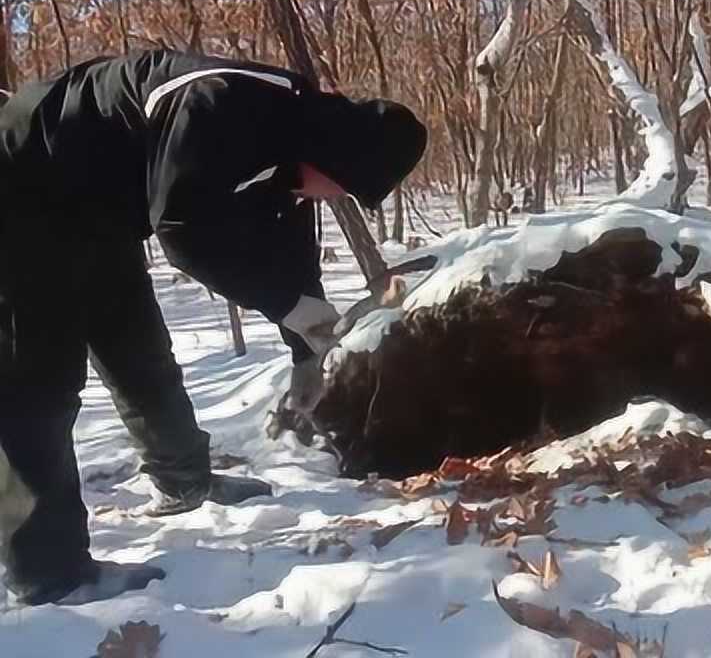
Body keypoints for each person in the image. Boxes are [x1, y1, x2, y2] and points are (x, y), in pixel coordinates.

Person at [0, 50, 427, 606]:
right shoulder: (224, 104)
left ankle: (183, 482)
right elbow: (182, 229)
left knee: (140, 355)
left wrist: (306, 351)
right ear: (338, 158)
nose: (334, 198)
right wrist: (285, 306)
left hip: (96, 211)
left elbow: (291, 251)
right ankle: (49, 574)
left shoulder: (292, 140)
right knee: (39, 385)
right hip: (18, 194)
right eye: (343, 189)